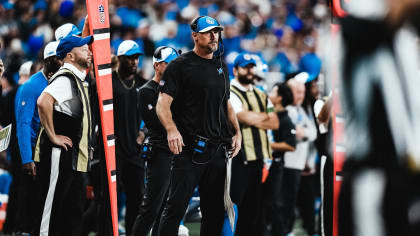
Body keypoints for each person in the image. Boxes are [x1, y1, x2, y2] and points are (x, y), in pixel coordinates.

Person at [156, 15, 242, 236]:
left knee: (213, 212)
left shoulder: (221, 65)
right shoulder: (179, 66)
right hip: (190, 151)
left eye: (217, 31)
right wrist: (171, 130)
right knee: (175, 209)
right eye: (208, 32)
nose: (214, 36)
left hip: (217, 151)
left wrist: (237, 132)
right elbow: (162, 105)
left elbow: (226, 103)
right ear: (195, 35)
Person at [34, 35, 94, 236]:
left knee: (70, 210)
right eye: (83, 48)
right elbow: (43, 101)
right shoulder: (66, 77)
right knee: (52, 208)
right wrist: (53, 135)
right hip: (59, 153)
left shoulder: (77, 77)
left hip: (72, 156)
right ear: (70, 55)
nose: (89, 51)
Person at [13, 41, 61, 235]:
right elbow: (23, 124)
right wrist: (27, 158)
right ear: (48, 61)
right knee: (30, 198)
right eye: (58, 58)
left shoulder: (58, 83)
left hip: (49, 150)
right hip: (33, 150)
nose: (61, 61)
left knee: (44, 199)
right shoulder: (31, 86)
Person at [228, 52, 279, 236]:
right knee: (236, 205)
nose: (249, 71)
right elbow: (240, 117)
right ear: (235, 70)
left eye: (251, 67)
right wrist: (261, 117)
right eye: (245, 67)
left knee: (253, 210)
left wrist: (253, 118)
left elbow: (274, 122)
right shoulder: (231, 91)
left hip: (258, 157)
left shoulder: (260, 93)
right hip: (239, 157)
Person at [131, 46, 179, 236]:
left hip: (175, 152)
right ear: (157, 65)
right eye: (169, 63)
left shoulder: (174, 89)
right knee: (151, 206)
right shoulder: (146, 91)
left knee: (168, 207)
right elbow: (158, 124)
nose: (174, 67)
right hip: (160, 152)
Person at [113, 39, 147, 236]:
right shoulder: (109, 82)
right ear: (120, 58)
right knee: (111, 196)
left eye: (136, 58)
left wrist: (144, 133)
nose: (135, 61)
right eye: (130, 58)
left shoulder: (142, 84)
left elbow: (150, 114)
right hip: (114, 150)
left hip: (134, 150)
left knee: (137, 197)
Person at [278, 78, 317, 236]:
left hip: (299, 164)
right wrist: (298, 133)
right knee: (282, 203)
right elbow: (289, 134)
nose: (301, 95)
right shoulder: (284, 109)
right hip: (286, 163)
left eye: (302, 92)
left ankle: (288, 230)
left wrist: (302, 133)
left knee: (291, 202)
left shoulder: (301, 110)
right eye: (297, 92)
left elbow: (312, 133)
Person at [264, 82, 296, 236]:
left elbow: (291, 145)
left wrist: (269, 145)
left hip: (275, 166)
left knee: (275, 202)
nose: (270, 93)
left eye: (274, 92)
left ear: (280, 98)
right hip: (264, 164)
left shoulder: (285, 119)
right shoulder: (268, 113)